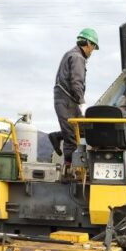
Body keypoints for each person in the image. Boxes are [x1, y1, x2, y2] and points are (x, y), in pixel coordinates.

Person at [48, 28, 99, 176]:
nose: (93, 51)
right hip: (67, 100)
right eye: (94, 47)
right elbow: (76, 82)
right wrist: (82, 104)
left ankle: (57, 136)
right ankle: (68, 173)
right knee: (71, 137)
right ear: (88, 43)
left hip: (65, 99)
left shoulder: (70, 54)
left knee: (83, 130)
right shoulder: (78, 57)